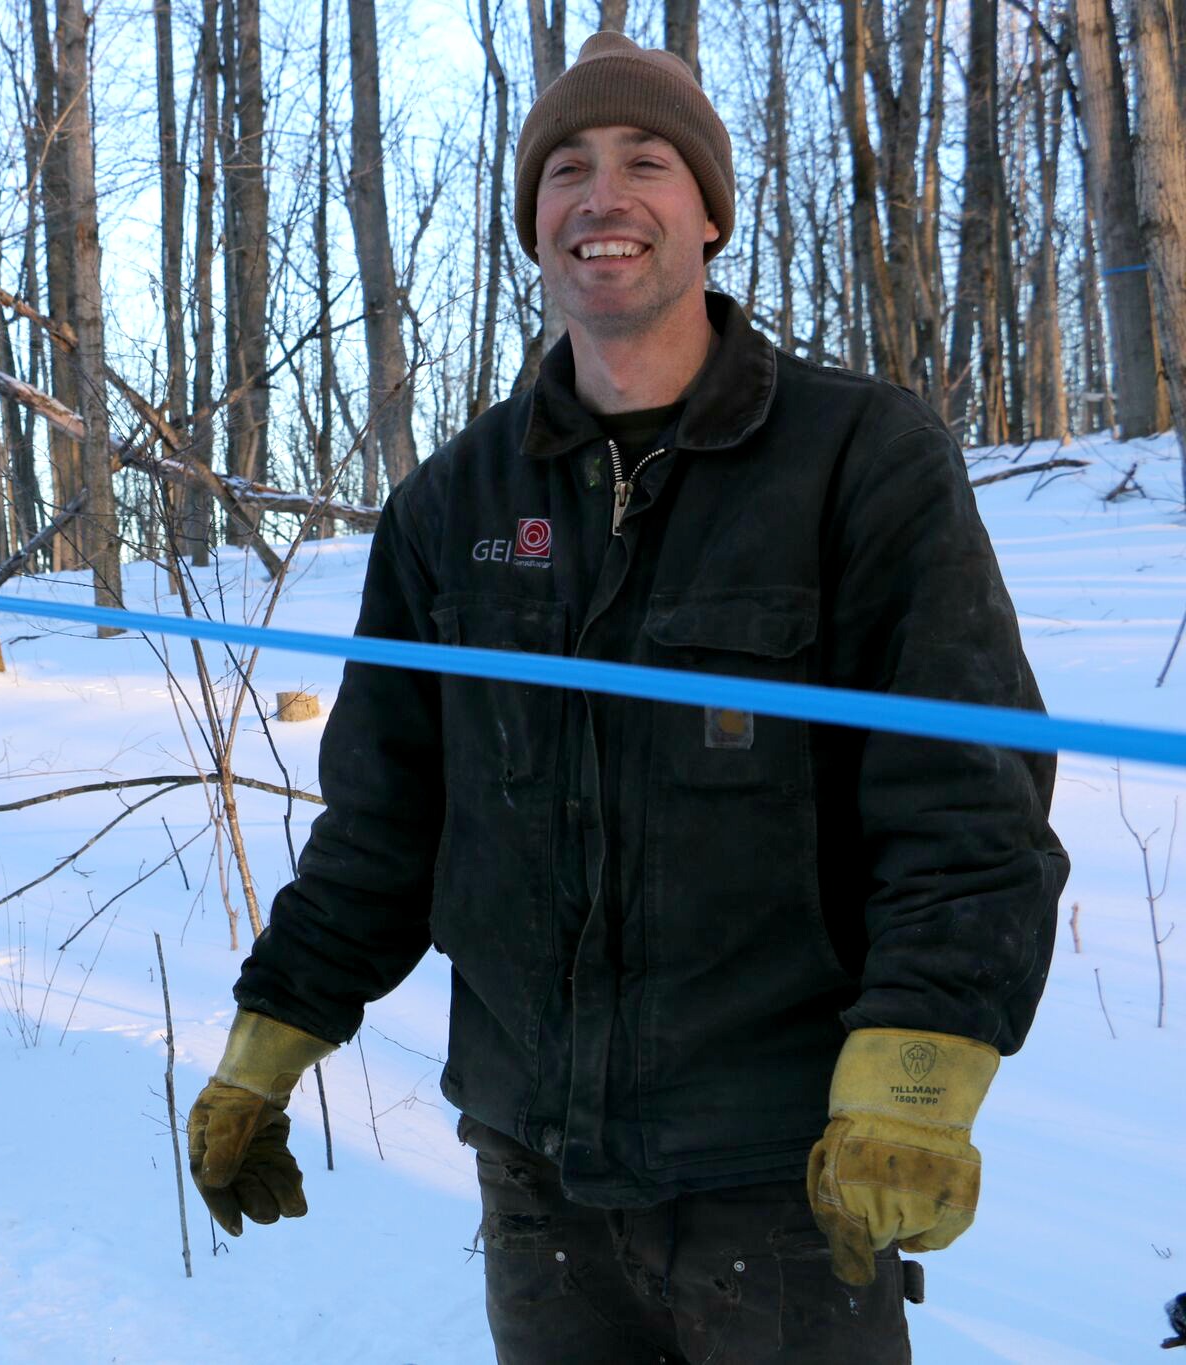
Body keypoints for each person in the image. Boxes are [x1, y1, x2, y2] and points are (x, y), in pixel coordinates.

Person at [185, 32, 1068, 1365]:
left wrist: (918, 1069)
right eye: (567, 170)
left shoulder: (859, 462)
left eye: (646, 163)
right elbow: (384, 824)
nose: (604, 197)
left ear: (709, 210)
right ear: (534, 222)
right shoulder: (451, 508)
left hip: (784, 1176)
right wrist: (269, 1040)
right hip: (534, 1178)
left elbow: (969, 801)